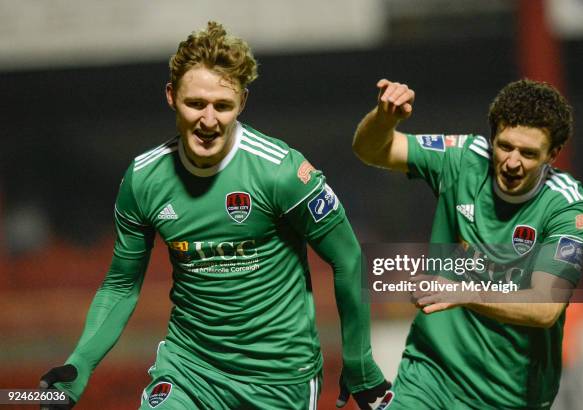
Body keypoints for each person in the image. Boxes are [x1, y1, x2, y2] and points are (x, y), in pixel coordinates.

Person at [39, 22, 389, 410]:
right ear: (171, 96)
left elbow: (349, 257)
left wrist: (358, 361)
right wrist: (79, 365)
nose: (208, 121)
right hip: (189, 371)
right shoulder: (143, 179)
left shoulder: (282, 172)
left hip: (279, 381)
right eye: (195, 104)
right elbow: (121, 285)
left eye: (222, 106)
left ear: (242, 102)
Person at [352, 78, 583, 409]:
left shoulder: (567, 205)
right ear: (492, 137)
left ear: (552, 154)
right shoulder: (462, 158)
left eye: (528, 153)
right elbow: (371, 149)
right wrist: (385, 118)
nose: (512, 162)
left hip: (509, 395)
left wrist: (465, 293)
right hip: (430, 373)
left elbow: (545, 307)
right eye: (505, 146)